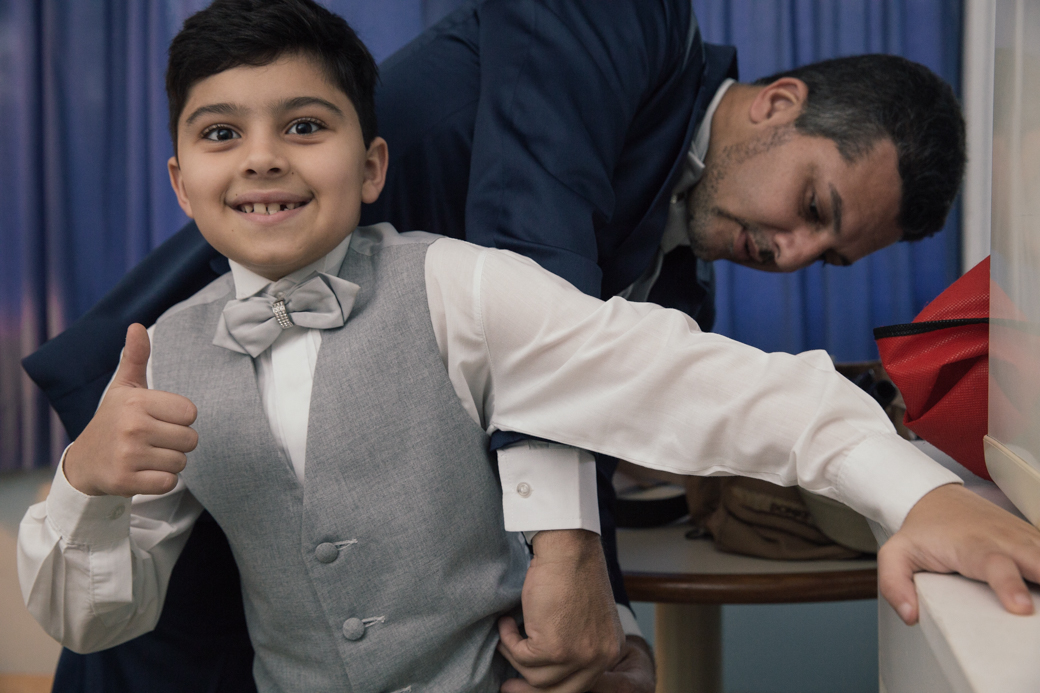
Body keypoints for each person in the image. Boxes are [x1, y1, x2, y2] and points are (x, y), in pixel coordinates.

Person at [16, 0, 987, 691]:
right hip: (187, 431)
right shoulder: (621, 17)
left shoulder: (651, 274)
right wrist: (568, 547)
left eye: (826, 257)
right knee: (150, 658)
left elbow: (597, 375)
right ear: (777, 104)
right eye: (812, 206)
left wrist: (604, 634)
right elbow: (535, 242)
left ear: (371, 166)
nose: (791, 253)